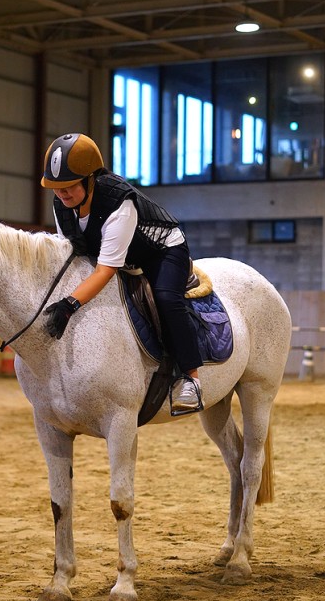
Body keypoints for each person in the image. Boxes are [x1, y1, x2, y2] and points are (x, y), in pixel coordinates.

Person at [40, 133, 204, 416]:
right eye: (56, 188)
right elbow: (71, 251)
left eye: (68, 186)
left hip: (161, 250)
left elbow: (106, 269)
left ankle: (191, 378)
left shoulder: (119, 205)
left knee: (166, 298)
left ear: (90, 179)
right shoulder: (62, 205)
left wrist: (70, 304)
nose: (61, 193)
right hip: (117, 254)